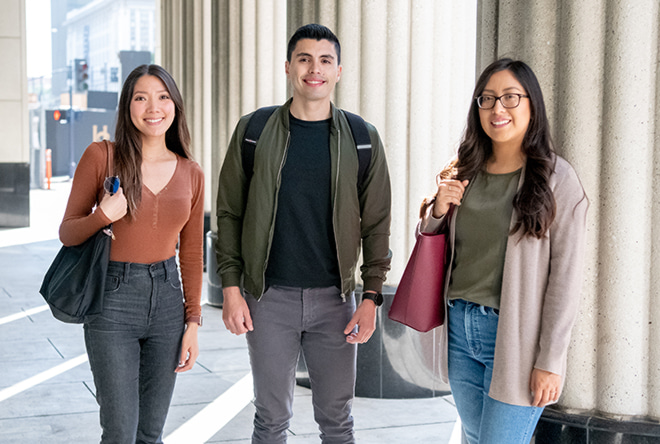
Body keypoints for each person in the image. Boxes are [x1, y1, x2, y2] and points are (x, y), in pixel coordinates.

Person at [215, 23, 391, 444]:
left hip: (335, 302)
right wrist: (232, 288)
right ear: (289, 67)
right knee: (271, 419)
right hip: (268, 299)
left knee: (337, 421)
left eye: (325, 60)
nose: (315, 69)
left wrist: (370, 297)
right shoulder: (254, 131)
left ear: (338, 71)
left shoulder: (363, 138)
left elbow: (377, 223)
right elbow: (228, 214)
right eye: (305, 59)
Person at [419, 58, 588, 443]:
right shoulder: (463, 170)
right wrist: (437, 211)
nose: (498, 109)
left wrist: (550, 360)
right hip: (459, 330)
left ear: (532, 106)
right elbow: (432, 245)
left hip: (514, 338)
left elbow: (566, 280)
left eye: (511, 98)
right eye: (488, 99)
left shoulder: (557, 180)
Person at [59, 64, 204, 443]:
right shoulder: (102, 156)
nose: (152, 107)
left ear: (175, 106)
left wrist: (193, 322)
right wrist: (102, 216)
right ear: (127, 106)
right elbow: (68, 231)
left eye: (162, 97)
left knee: (150, 433)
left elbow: (191, 253)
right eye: (141, 97)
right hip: (113, 301)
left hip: (168, 303)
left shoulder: (192, 172)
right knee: (120, 431)